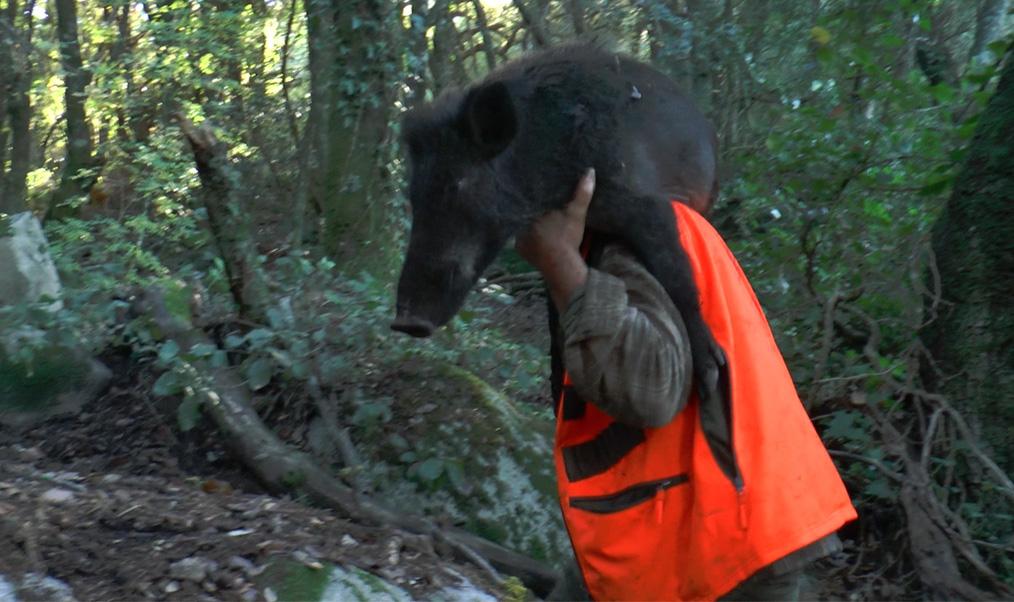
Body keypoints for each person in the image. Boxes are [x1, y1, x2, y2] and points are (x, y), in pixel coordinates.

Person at [514, 169, 857, 602]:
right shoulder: (681, 236)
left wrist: (558, 258)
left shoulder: (638, 241)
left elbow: (651, 389)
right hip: (712, 519)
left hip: (726, 535)